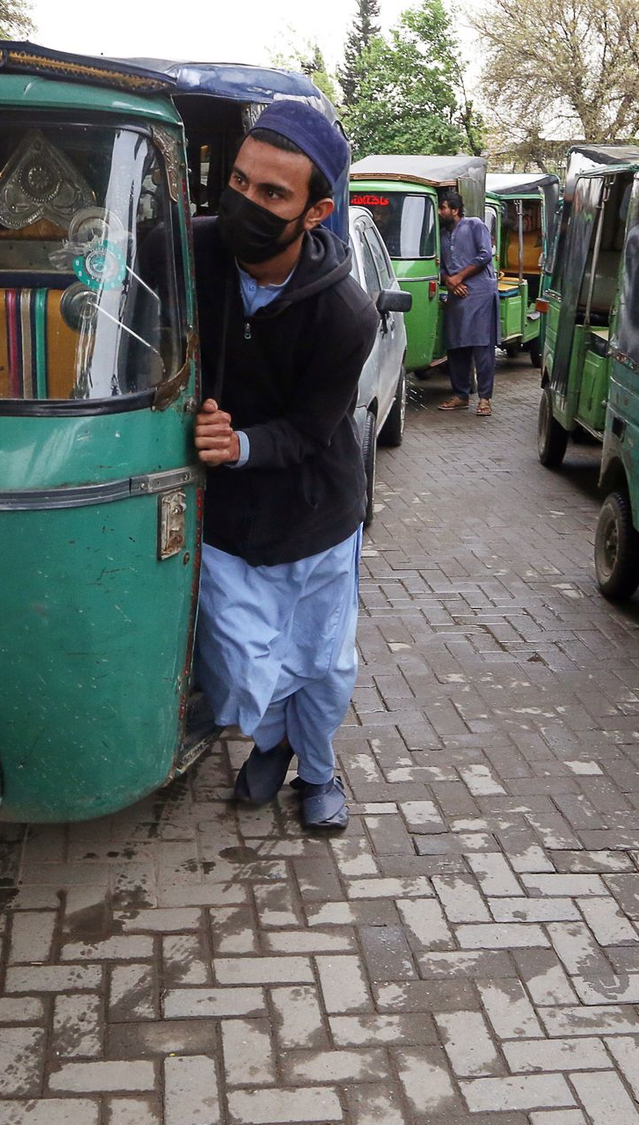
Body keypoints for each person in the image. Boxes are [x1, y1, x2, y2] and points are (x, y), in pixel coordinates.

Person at [192, 101, 378, 832]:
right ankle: (269, 742)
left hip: (316, 513)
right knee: (243, 660)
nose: (246, 204)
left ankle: (319, 769)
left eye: (272, 194)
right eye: (239, 182)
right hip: (229, 518)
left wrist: (237, 445)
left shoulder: (346, 315)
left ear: (316, 210)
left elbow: (307, 431)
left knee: (323, 663)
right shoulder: (188, 254)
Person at [437, 189, 499, 417]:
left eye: (443, 208)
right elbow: (441, 266)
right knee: (456, 346)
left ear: (454, 210)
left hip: (480, 294)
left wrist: (459, 278)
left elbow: (484, 256)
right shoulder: (442, 235)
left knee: (482, 347)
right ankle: (461, 395)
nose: (439, 211)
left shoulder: (474, 225)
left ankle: (484, 399)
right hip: (456, 296)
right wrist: (450, 282)